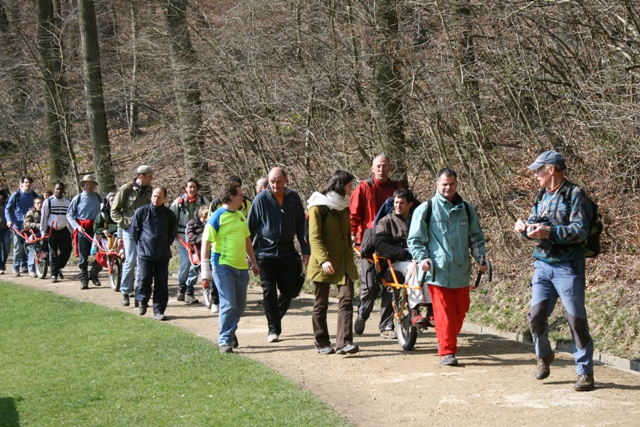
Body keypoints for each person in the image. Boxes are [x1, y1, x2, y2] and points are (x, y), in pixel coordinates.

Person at [514, 150, 595, 392]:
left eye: (539, 169)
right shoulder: (542, 195)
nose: (536, 174)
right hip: (543, 266)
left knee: (575, 320)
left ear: (551, 169)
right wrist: (524, 228)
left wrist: (548, 232)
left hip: (568, 267)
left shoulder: (575, 194)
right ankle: (544, 355)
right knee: (536, 316)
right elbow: (534, 226)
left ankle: (585, 373)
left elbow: (580, 231)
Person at [407, 168, 487, 366]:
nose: (448, 188)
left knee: (461, 309)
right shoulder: (426, 209)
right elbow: (415, 240)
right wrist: (422, 259)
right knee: (444, 314)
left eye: (451, 184)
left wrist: (481, 258)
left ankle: (448, 337)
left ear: (456, 184)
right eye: (444, 184)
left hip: (461, 270)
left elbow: (475, 237)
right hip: (438, 272)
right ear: (437, 185)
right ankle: (447, 351)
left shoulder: (466, 209)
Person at [247, 167, 310, 343]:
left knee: (290, 290)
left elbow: (301, 227)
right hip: (265, 252)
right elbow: (249, 229)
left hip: (287, 251)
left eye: (278, 181)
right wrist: (249, 256)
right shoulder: (260, 199)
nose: (275, 185)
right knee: (269, 292)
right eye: (272, 182)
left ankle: (274, 317)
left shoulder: (294, 198)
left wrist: (306, 251)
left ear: (286, 180)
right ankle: (273, 329)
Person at [201, 181, 260, 353]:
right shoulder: (217, 216)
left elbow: (247, 240)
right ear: (232, 196)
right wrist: (205, 270)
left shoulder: (241, 215)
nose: (243, 197)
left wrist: (254, 262)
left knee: (240, 306)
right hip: (222, 266)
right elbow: (206, 242)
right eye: (241, 194)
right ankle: (224, 341)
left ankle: (230, 330)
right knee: (228, 304)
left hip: (241, 267)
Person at [307, 170, 360, 355]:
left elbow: (346, 233)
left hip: (344, 261)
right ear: (339, 184)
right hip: (324, 262)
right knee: (321, 303)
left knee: (346, 299)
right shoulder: (318, 207)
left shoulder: (344, 206)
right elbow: (314, 237)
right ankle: (321, 342)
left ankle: (344, 342)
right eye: (349, 185)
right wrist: (323, 260)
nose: (351, 188)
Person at [351, 155, 403, 339]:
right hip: (369, 244)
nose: (381, 170)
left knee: (391, 283)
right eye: (378, 167)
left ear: (390, 168)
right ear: (373, 169)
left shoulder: (397, 188)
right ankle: (362, 314)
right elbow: (354, 214)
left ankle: (386, 325)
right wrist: (352, 234)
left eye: (385, 166)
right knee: (370, 285)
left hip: (392, 242)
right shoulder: (364, 187)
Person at [374, 188, 432, 326]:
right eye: (396, 202)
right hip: (395, 263)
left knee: (430, 266)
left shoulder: (418, 220)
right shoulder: (386, 221)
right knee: (415, 267)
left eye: (401, 203)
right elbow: (380, 246)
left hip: (418, 258)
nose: (397, 206)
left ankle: (432, 309)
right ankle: (414, 310)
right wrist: (404, 253)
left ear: (410, 205)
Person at [130, 187, 177, 321]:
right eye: (154, 196)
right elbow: (134, 230)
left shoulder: (169, 214)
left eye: (159, 196)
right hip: (145, 253)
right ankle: (142, 301)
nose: (156, 199)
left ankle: (159, 310)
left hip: (162, 254)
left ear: (165, 198)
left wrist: (165, 244)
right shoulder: (141, 212)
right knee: (144, 278)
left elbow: (172, 232)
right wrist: (142, 244)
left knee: (161, 283)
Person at [111, 165, 154, 306]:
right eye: (149, 176)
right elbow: (115, 211)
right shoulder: (127, 189)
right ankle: (125, 291)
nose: (151, 178)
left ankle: (140, 294)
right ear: (141, 176)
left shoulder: (150, 190)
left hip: (145, 230)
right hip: (129, 230)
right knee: (130, 260)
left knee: (143, 261)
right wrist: (124, 224)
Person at [170, 177, 208, 304]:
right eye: (190, 187)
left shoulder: (203, 201)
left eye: (194, 187)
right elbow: (171, 218)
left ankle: (189, 292)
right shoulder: (179, 202)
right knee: (186, 263)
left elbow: (210, 215)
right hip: (182, 238)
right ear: (185, 188)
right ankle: (181, 287)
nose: (192, 189)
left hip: (198, 240)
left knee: (195, 265)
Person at [67, 174, 102, 289]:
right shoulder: (77, 198)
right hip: (82, 229)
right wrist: (77, 226)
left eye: (91, 184)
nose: (89, 186)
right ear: (84, 185)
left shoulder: (98, 198)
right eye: (87, 184)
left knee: (102, 252)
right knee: (83, 256)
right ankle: (84, 279)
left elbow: (103, 213)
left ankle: (94, 274)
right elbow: (69, 214)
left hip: (96, 229)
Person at [5, 176, 40, 276]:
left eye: (29, 183)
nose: (27, 184)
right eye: (26, 183)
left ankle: (31, 269)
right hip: (18, 225)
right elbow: (7, 209)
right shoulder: (16, 195)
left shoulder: (34, 195)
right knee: (18, 248)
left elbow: (40, 206)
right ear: (22, 183)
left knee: (32, 247)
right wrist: (9, 220)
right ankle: (15, 268)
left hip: (30, 225)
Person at [187, 205, 218, 311]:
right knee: (193, 270)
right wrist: (202, 239)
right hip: (198, 250)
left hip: (211, 250)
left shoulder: (211, 224)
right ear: (199, 216)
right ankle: (188, 289)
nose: (205, 220)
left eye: (207, 217)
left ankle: (213, 293)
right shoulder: (193, 223)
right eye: (203, 217)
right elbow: (190, 235)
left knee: (213, 271)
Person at [40, 182, 72, 282]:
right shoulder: (48, 201)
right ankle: (53, 275)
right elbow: (44, 217)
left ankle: (59, 266)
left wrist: (73, 229)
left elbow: (70, 217)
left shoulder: (68, 202)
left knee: (67, 250)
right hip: (51, 230)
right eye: (57, 189)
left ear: (63, 190)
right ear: (54, 189)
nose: (59, 191)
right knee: (53, 253)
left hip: (63, 229)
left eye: (61, 189)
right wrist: (43, 231)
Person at [23, 196, 44, 278]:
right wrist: (37, 225)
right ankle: (31, 269)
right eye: (38, 203)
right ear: (34, 204)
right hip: (32, 233)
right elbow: (26, 224)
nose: (40, 205)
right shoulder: (31, 212)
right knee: (33, 247)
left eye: (41, 203)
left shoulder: (45, 211)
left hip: (43, 233)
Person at [0, 188, 10, 274]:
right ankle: (1, 266)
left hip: (6, 229)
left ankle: (3, 262)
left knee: (6, 249)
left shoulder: (7, 204)